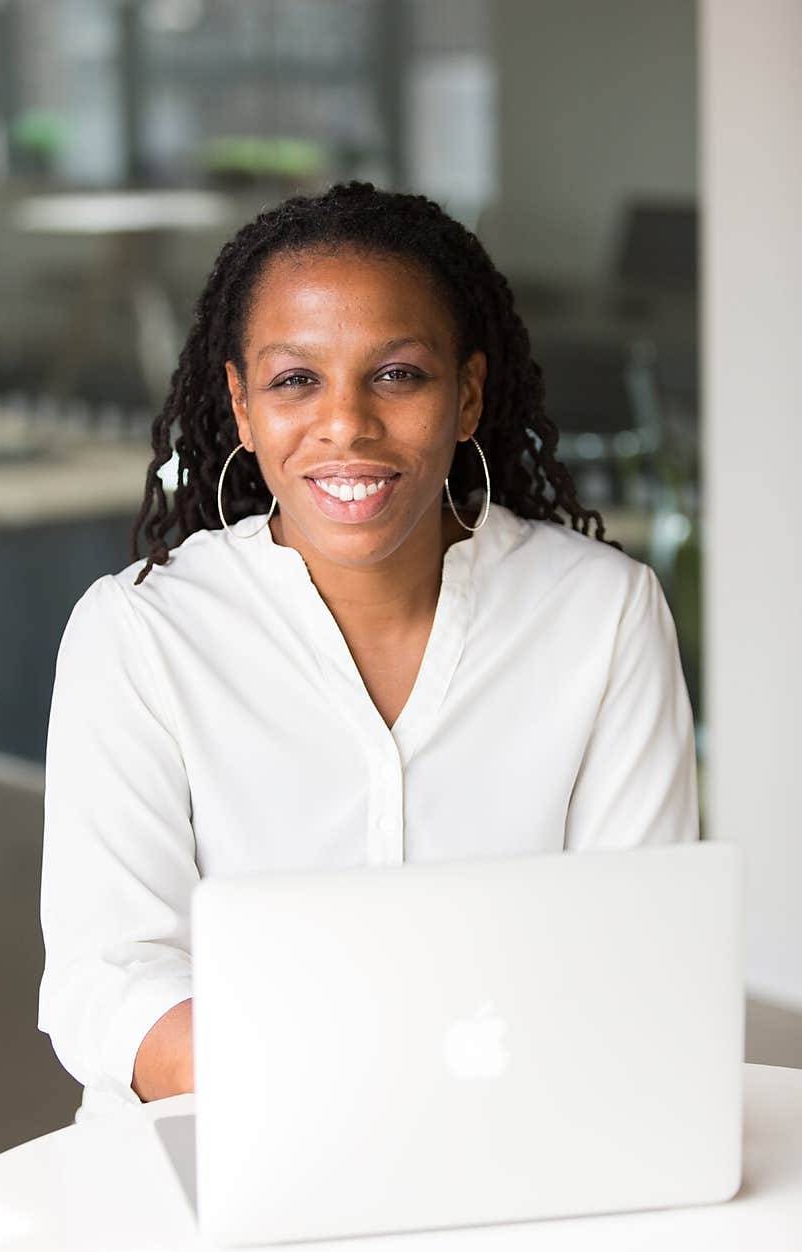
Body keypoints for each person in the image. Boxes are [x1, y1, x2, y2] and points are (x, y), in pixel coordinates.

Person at [38, 182, 699, 1120]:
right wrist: (329, 1099)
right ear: (240, 403)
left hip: (524, 1149)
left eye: (398, 375)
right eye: (295, 379)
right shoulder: (140, 635)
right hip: (223, 1154)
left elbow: (639, 953)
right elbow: (106, 980)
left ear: (467, 395)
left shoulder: (600, 614)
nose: (345, 423)